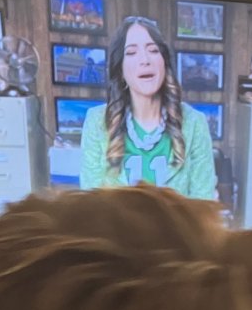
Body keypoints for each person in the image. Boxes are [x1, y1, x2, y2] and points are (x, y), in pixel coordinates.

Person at [79, 15, 216, 197]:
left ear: (164, 63)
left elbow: (203, 203)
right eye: (131, 52)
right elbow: (91, 203)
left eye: (153, 50)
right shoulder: (97, 123)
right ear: (120, 70)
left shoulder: (194, 123)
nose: (145, 60)